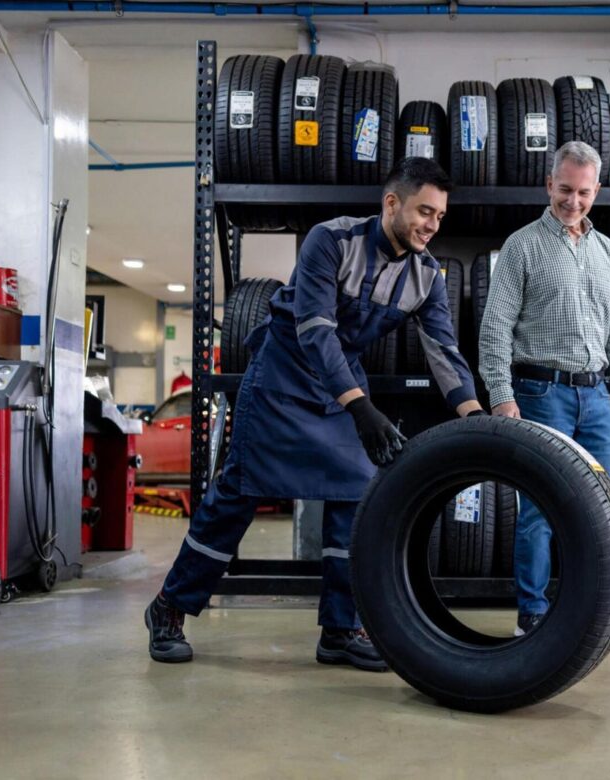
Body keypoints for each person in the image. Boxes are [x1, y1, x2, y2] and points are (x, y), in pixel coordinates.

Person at [146, 158, 483, 669]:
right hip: (283, 370)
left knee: (356, 497)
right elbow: (315, 328)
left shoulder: (425, 277)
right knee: (239, 493)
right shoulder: (332, 240)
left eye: (439, 216)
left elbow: (445, 353)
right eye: (423, 211)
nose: (431, 225)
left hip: (339, 382)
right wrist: (362, 408)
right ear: (392, 202)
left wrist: (476, 418)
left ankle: (341, 630)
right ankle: (169, 607)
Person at [478, 141, 610, 646]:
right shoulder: (522, 246)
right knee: (540, 507)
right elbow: (495, 327)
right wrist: (501, 394)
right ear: (549, 185)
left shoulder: (607, 252)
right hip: (541, 392)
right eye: (565, 189)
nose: (573, 201)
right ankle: (533, 615)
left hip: (597, 397)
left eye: (584, 192)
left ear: (597, 191)